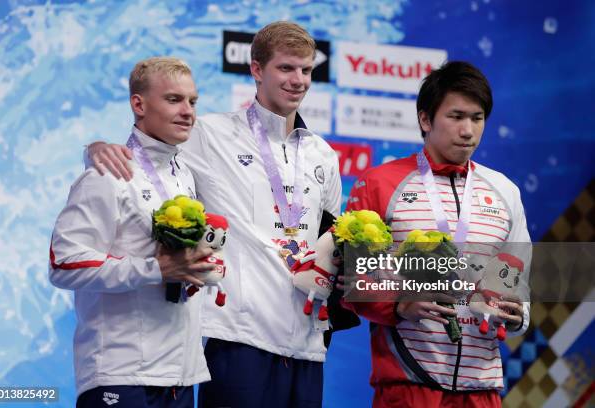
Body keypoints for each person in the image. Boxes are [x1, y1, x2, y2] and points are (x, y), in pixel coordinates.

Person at [87, 22, 344, 407]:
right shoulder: (211, 134)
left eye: (306, 70)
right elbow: (146, 155)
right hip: (237, 339)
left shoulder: (323, 154)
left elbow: (330, 239)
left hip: (307, 344)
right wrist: (94, 148)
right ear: (257, 70)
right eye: (286, 68)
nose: (298, 80)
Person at [341, 61, 531, 407]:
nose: (468, 131)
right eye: (456, 116)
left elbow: (518, 280)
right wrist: (399, 305)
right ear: (425, 119)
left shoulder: (505, 191)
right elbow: (354, 283)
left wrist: (520, 315)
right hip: (408, 385)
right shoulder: (379, 183)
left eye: (477, 118)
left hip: (482, 388)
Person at [49, 57, 216, 407]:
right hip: (121, 375)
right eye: (174, 99)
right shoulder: (107, 173)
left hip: (181, 376)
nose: (188, 111)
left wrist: (200, 269)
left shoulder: (184, 175)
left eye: (193, 101)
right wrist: (154, 270)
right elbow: (63, 262)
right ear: (138, 104)